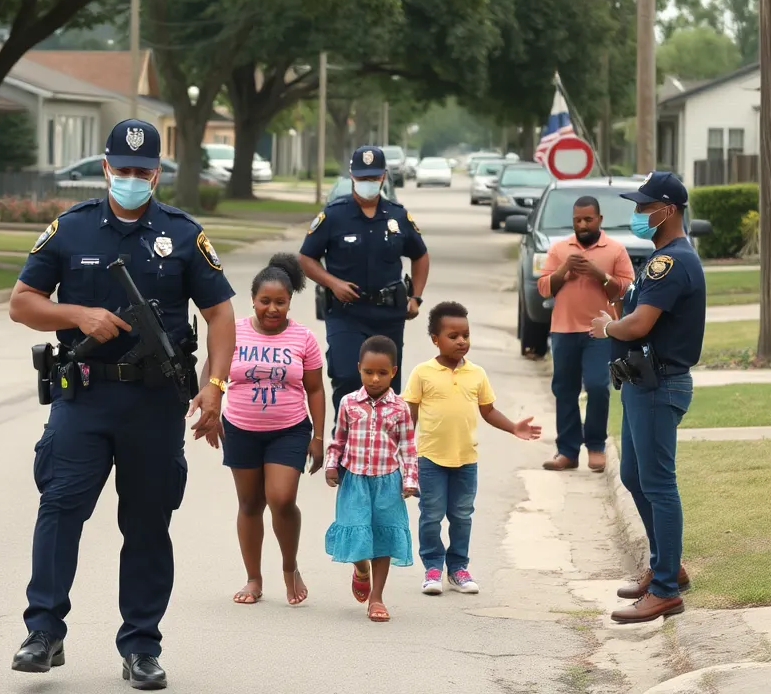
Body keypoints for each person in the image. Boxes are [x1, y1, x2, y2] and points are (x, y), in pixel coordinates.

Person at [7, 118, 237, 690]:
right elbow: (22, 303)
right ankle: (43, 634)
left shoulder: (183, 234)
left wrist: (215, 386)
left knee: (148, 524)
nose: (132, 178)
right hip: (83, 397)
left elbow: (220, 314)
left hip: (156, 403)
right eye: (123, 169)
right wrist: (76, 315)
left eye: (143, 170)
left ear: (157, 172)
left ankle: (140, 646)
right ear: (105, 167)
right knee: (60, 510)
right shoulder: (72, 229)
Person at [590, 171, 705, 625]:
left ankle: (664, 590)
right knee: (637, 478)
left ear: (668, 210)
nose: (638, 214)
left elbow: (638, 326)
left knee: (658, 484)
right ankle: (666, 567)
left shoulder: (671, 261)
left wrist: (607, 328)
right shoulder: (662, 257)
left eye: (645, 207)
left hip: (659, 384)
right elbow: (640, 313)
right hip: (642, 383)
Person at [402, 302, 542, 596]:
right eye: (453, 336)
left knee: (462, 516)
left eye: (465, 335)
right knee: (431, 515)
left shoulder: (476, 374)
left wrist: (514, 426)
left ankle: (458, 569)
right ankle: (432, 567)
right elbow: (409, 416)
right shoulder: (422, 373)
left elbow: (488, 411)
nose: (461, 341)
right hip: (430, 459)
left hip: (466, 460)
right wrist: (401, 455)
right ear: (435, 340)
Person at [218, 253, 327, 607]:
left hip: (289, 430)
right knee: (250, 503)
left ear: (290, 301)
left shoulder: (303, 338)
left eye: (280, 302)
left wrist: (319, 437)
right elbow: (213, 371)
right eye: (265, 301)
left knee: (281, 499)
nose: (272, 308)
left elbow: (315, 388)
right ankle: (253, 578)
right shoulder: (233, 331)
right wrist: (209, 410)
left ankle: (289, 566)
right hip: (240, 428)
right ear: (253, 299)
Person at [299, 146, 430, 429]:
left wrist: (416, 298)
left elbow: (420, 255)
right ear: (351, 176)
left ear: (383, 177)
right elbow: (306, 257)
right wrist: (332, 283)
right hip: (346, 312)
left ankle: (383, 444)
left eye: (372, 177)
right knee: (347, 375)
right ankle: (346, 442)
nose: (367, 183)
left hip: (389, 314)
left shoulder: (397, 216)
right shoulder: (334, 215)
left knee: (385, 382)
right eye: (361, 177)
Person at [323, 335, 417, 623]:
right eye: (368, 372)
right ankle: (361, 569)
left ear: (394, 372)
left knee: (384, 537)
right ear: (359, 369)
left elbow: (408, 447)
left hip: (387, 483)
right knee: (355, 532)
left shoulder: (400, 408)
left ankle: (377, 597)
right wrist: (331, 465)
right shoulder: (349, 403)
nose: (375, 379)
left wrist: (410, 479)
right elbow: (338, 439)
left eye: (382, 373)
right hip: (354, 481)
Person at [536, 196, 634, 473]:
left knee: (598, 387)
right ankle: (567, 451)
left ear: (599, 220)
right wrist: (565, 269)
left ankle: (595, 447)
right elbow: (544, 287)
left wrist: (599, 274)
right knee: (564, 390)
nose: (582, 224)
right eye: (577, 220)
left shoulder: (615, 250)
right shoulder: (559, 249)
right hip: (564, 330)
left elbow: (626, 289)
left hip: (600, 333)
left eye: (588, 219)